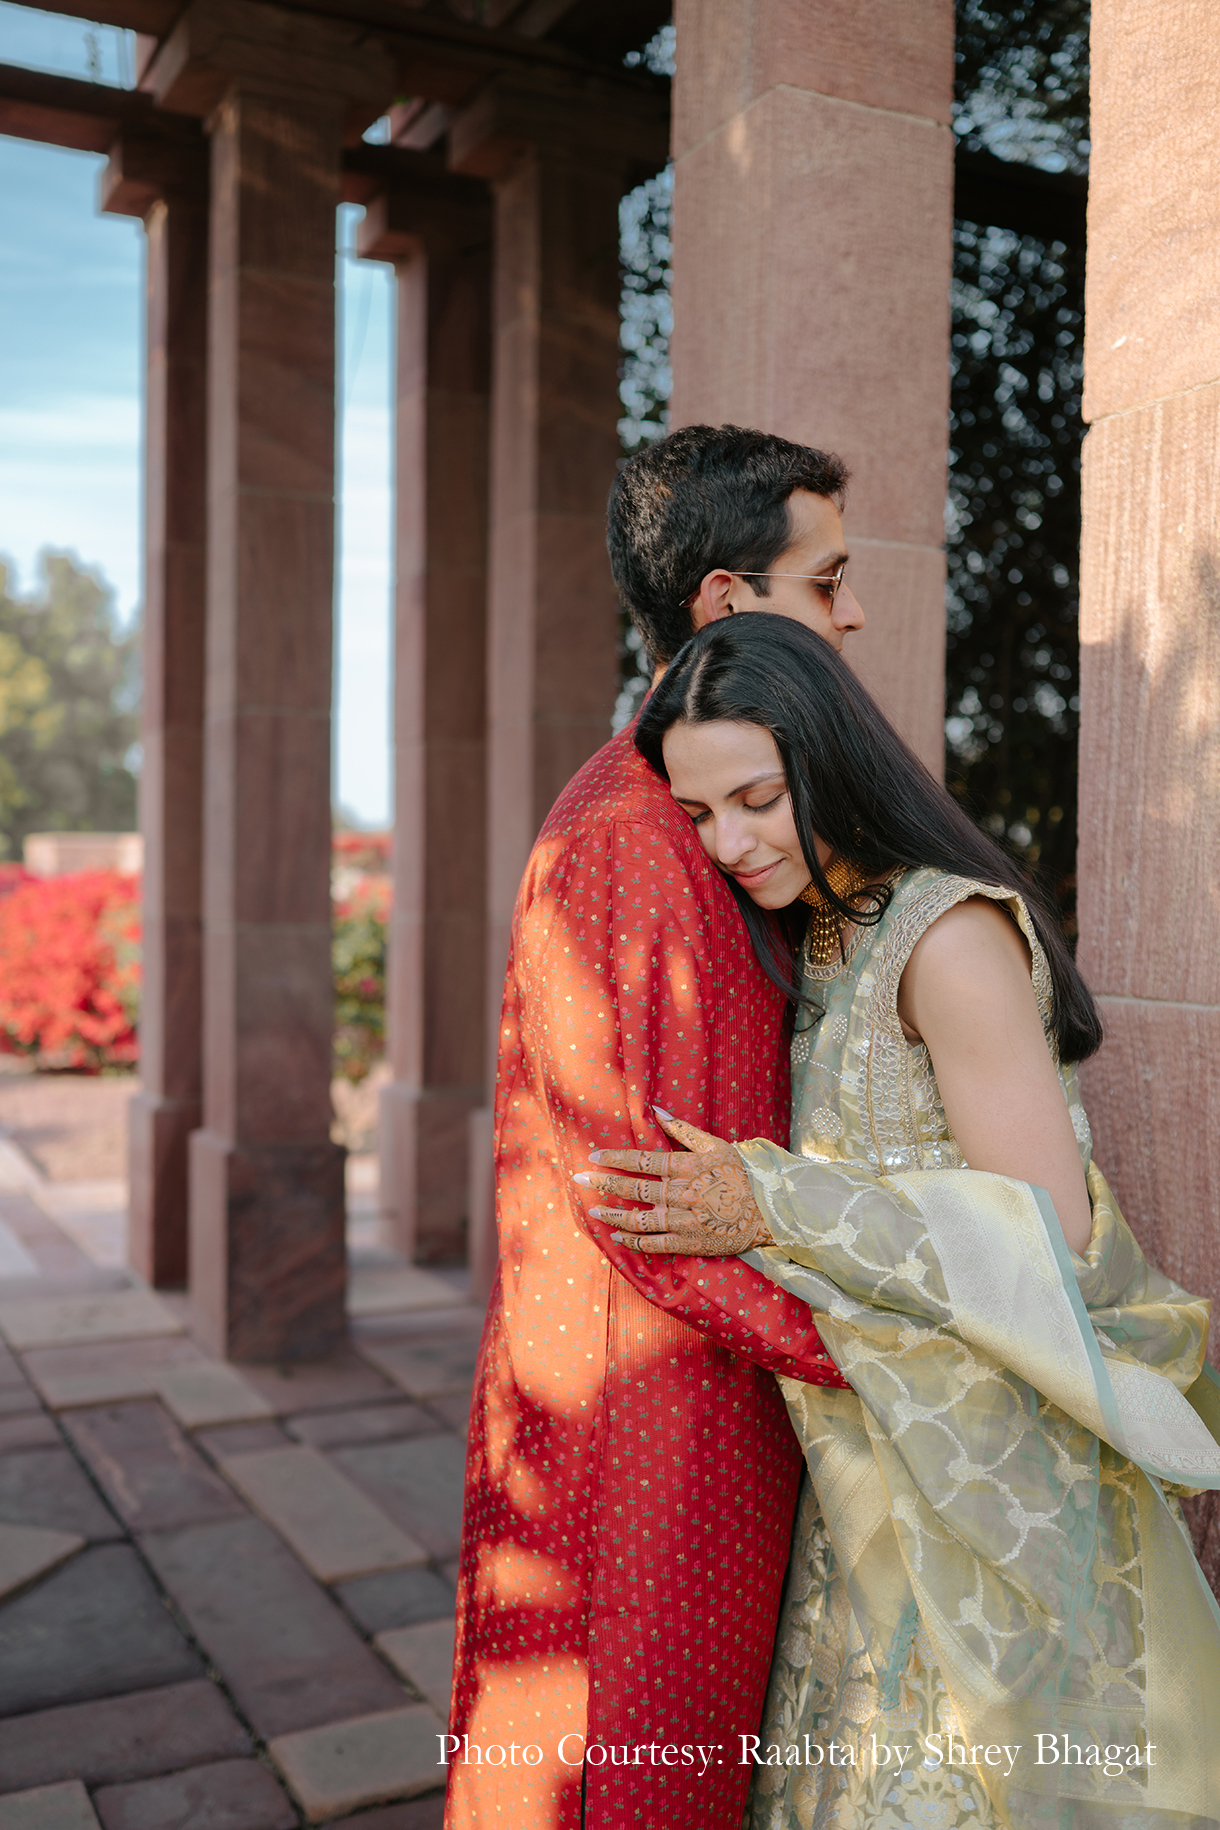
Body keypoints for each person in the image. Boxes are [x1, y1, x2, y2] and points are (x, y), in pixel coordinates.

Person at [579, 612, 1220, 1830]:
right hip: (866, 1449)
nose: (729, 843)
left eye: (758, 798)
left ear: (828, 754)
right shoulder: (812, 933)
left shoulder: (946, 938)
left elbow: (1043, 1234)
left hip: (984, 1476)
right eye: (701, 814)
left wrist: (772, 1197)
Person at [446, 426, 873, 1830]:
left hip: (671, 1404)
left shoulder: (675, 810)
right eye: (829, 580)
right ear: (730, 607)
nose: (854, 611)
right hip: (652, 1432)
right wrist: (889, 1356)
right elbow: (647, 1202)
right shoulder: (640, 833)